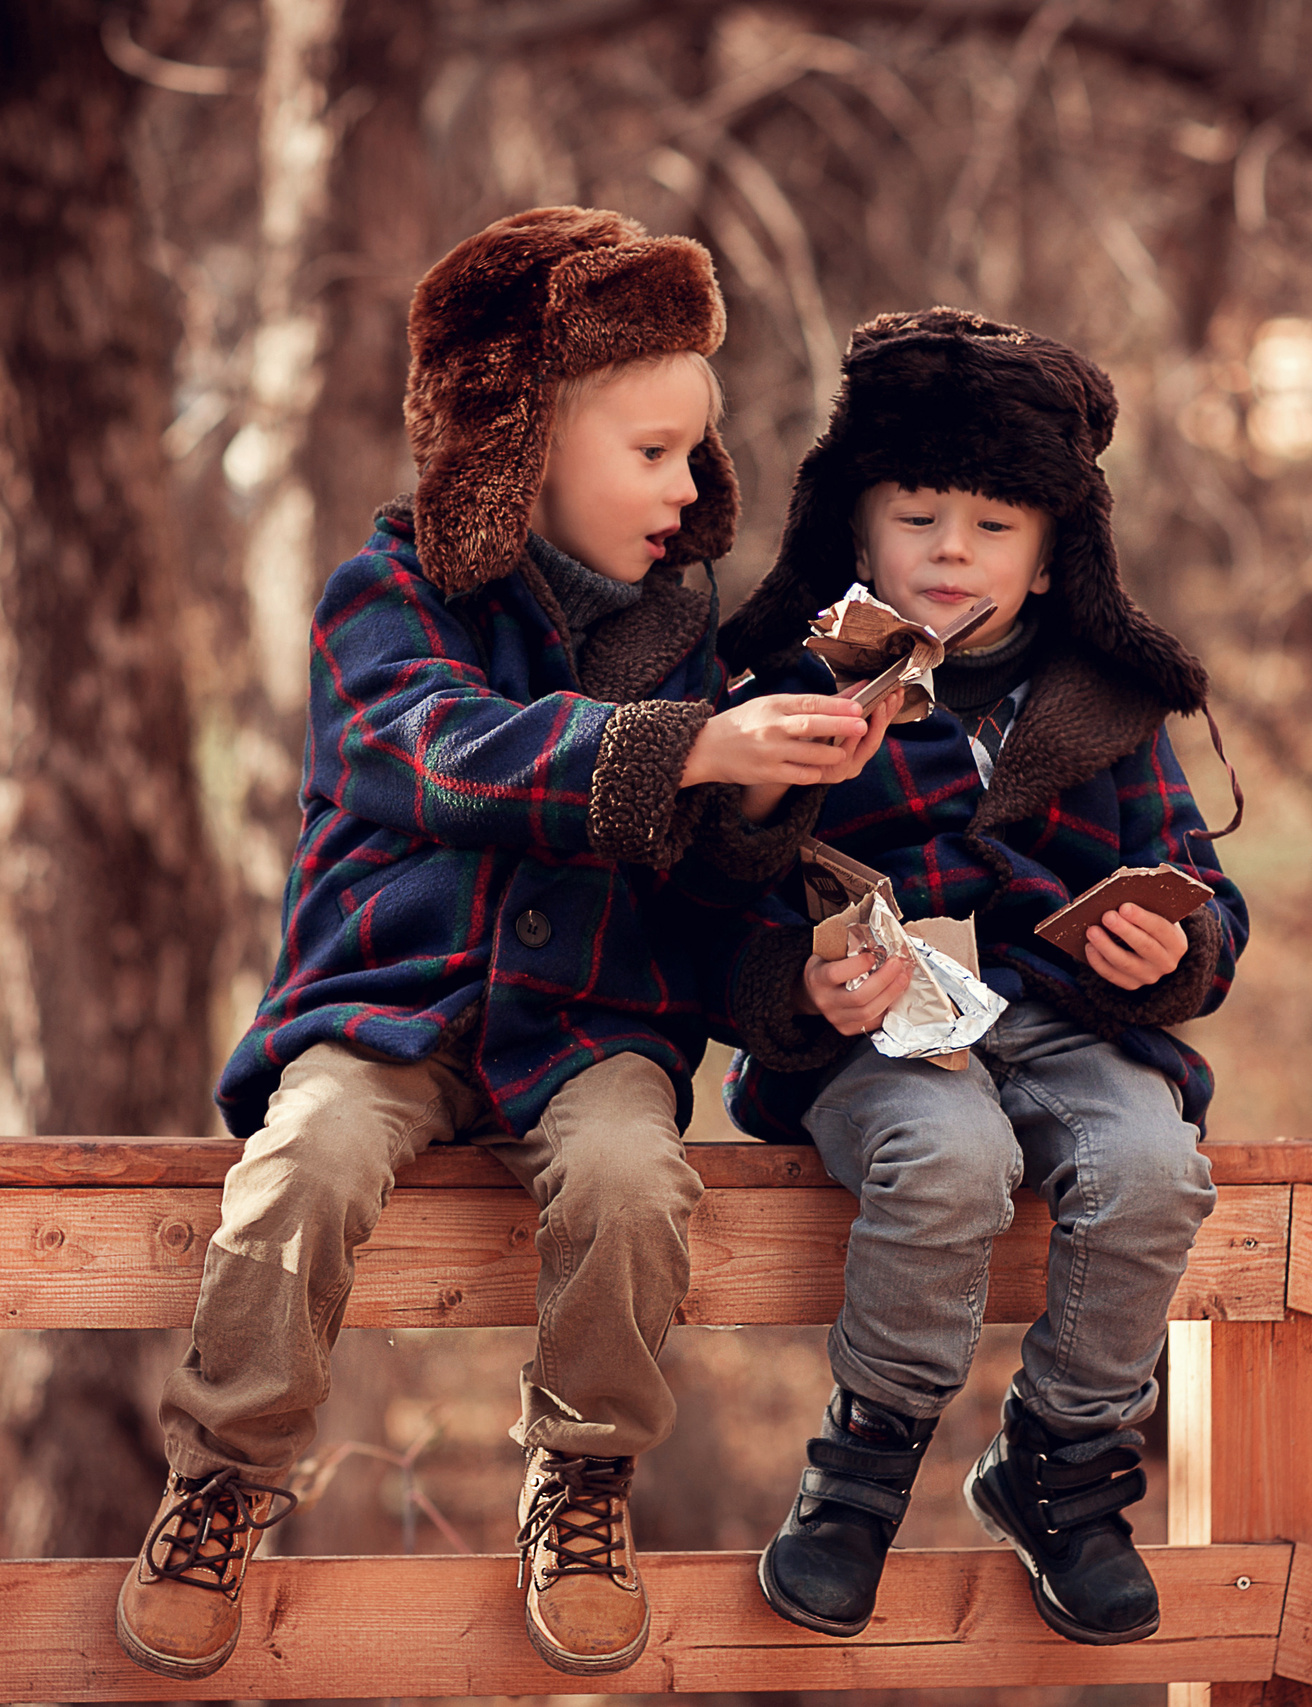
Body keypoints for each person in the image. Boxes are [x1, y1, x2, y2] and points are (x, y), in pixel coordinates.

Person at [113, 207, 889, 1684]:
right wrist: (690, 748)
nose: (686, 486)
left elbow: (709, 915)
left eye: (692, 451)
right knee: (309, 1159)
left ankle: (584, 1477)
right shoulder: (388, 597)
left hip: (592, 1033)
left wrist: (790, 929)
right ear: (522, 442)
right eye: (648, 451)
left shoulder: (686, 649)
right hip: (385, 1013)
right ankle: (223, 1473)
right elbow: (449, 754)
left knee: (629, 1176)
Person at [704, 308, 1248, 1647]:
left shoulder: (1107, 706)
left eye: (997, 525)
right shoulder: (788, 689)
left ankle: (1060, 1466)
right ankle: (860, 1473)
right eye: (921, 515)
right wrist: (796, 989)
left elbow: (1203, 895)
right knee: (950, 1162)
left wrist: (1174, 953)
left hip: (1069, 1030)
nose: (954, 551)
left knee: (1153, 1168)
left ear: (1060, 554)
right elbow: (710, 900)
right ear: (858, 523)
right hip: (878, 1038)